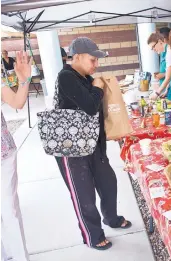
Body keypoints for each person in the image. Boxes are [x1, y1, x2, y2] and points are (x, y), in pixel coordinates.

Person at [54, 37, 132, 250]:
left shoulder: (85, 78)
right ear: (76, 57)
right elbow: (89, 106)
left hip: (93, 145)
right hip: (72, 149)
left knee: (109, 183)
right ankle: (93, 235)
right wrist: (98, 87)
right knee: (84, 194)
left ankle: (111, 218)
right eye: (92, 60)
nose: (96, 65)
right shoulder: (66, 77)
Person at [1, 51, 32, 261]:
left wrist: (24, 80)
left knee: (9, 210)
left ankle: (21, 257)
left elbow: (17, 102)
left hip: (2, 155)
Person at [153, 27, 171, 101]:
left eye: (153, 47)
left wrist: (157, 93)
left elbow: (169, 76)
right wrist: (166, 89)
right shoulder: (166, 51)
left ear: (162, 40)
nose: (154, 50)